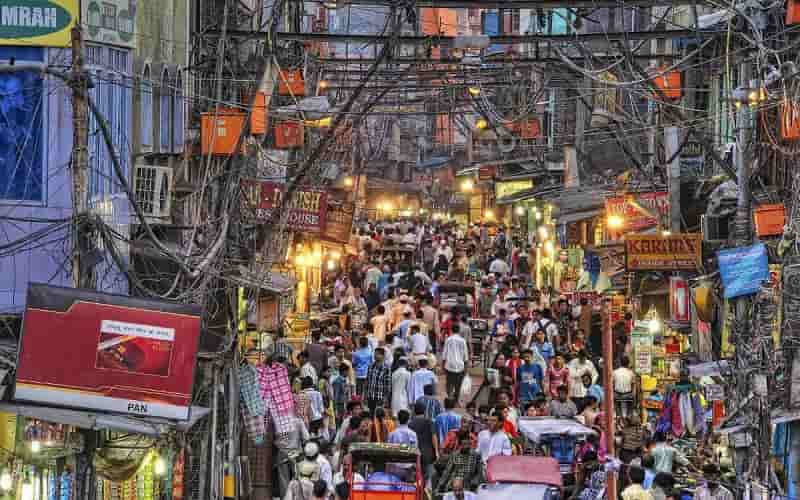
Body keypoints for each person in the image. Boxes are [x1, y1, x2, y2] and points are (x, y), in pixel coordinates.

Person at [409, 401, 439, 486]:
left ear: (414, 411)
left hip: (415, 453)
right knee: (427, 476)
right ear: (425, 411)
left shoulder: (411, 423)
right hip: (428, 453)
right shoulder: (429, 422)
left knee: (417, 475)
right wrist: (436, 451)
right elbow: (434, 437)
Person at [442, 324, 470, 400]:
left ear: (451, 330)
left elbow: (444, 354)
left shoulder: (448, 340)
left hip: (449, 365)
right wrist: (466, 369)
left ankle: (449, 397)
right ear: (459, 331)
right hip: (460, 366)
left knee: (449, 383)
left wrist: (443, 366)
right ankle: (456, 400)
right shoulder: (463, 340)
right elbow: (466, 357)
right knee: (458, 384)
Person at [364, 347, 391, 413]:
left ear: (383, 356)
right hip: (370, 396)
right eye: (375, 354)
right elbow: (367, 381)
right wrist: (365, 395)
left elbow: (387, 385)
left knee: (378, 415)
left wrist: (385, 398)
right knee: (371, 414)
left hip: (380, 397)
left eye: (378, 354)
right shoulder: (370, 366)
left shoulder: (386, 368)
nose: (375, 356)